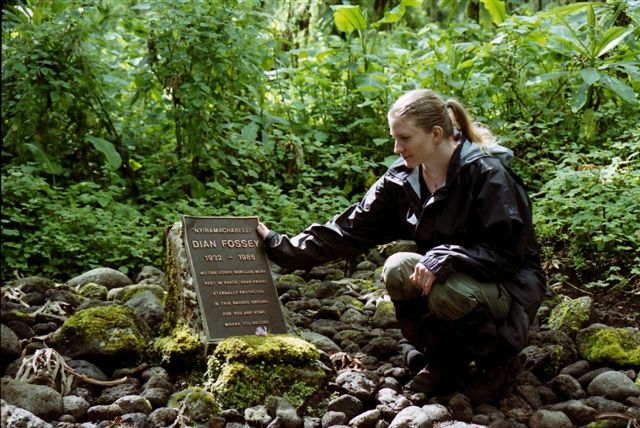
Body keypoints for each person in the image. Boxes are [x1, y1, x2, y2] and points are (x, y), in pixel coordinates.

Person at [256, 89, 546, 403]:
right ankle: (446, 360)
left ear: (436, 134)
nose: (397, 147)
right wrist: (279, 245)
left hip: (507, 285)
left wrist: (450, 258)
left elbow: (508, 255)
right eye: (395, 137)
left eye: (405, 138)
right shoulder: (402, 180)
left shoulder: (489, 175)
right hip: (452, 277)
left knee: (446, 290)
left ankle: (497, 363)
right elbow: (347, 229)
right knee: (397, 268)